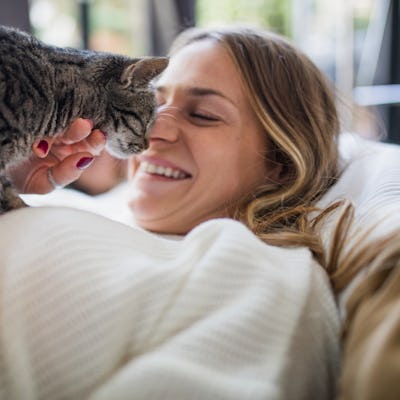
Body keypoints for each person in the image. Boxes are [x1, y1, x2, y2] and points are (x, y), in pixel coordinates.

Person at [1, 26, 357, 399]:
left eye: (203, 114)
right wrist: (10, 168)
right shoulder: (86, 203)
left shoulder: (259, 277)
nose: (154, 130)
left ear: (279, 163)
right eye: (150, 104)